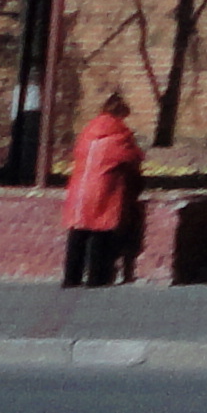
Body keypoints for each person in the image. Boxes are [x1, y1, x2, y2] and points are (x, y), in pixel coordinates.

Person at [58, 92, 143, 289]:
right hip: (104, 186)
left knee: (77, 231)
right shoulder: (121, 133)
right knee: (100, 231)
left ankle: (71, 278)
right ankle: (96, 277)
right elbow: (132, 158)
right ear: (121, 113)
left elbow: (77, 155)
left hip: (79, 187)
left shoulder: (87, 132)